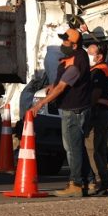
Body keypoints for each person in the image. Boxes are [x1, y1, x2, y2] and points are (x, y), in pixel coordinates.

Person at [31, 28, 92, 197]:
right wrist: (51, 86)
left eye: (66, 41)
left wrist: (40, 104)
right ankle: (90, 181)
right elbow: (59, 83)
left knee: (72, 148)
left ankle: (76, 184)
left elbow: (61, 87)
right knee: (76, 146)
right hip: (73, 108)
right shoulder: (74, 58)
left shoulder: (77, 61)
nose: (62, 43)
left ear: (74, 44)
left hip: (74, 110)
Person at [85, 41, 108, 195]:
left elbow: (96, 93)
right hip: (106, 113)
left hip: (98, 113)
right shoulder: (107, 70)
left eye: (91, 53)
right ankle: (104, 180)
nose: (88, 56)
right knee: (100, 149)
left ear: (100, 56)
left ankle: (101, 181)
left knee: (91, 148)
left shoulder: (98, 71)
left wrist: (87, 107)